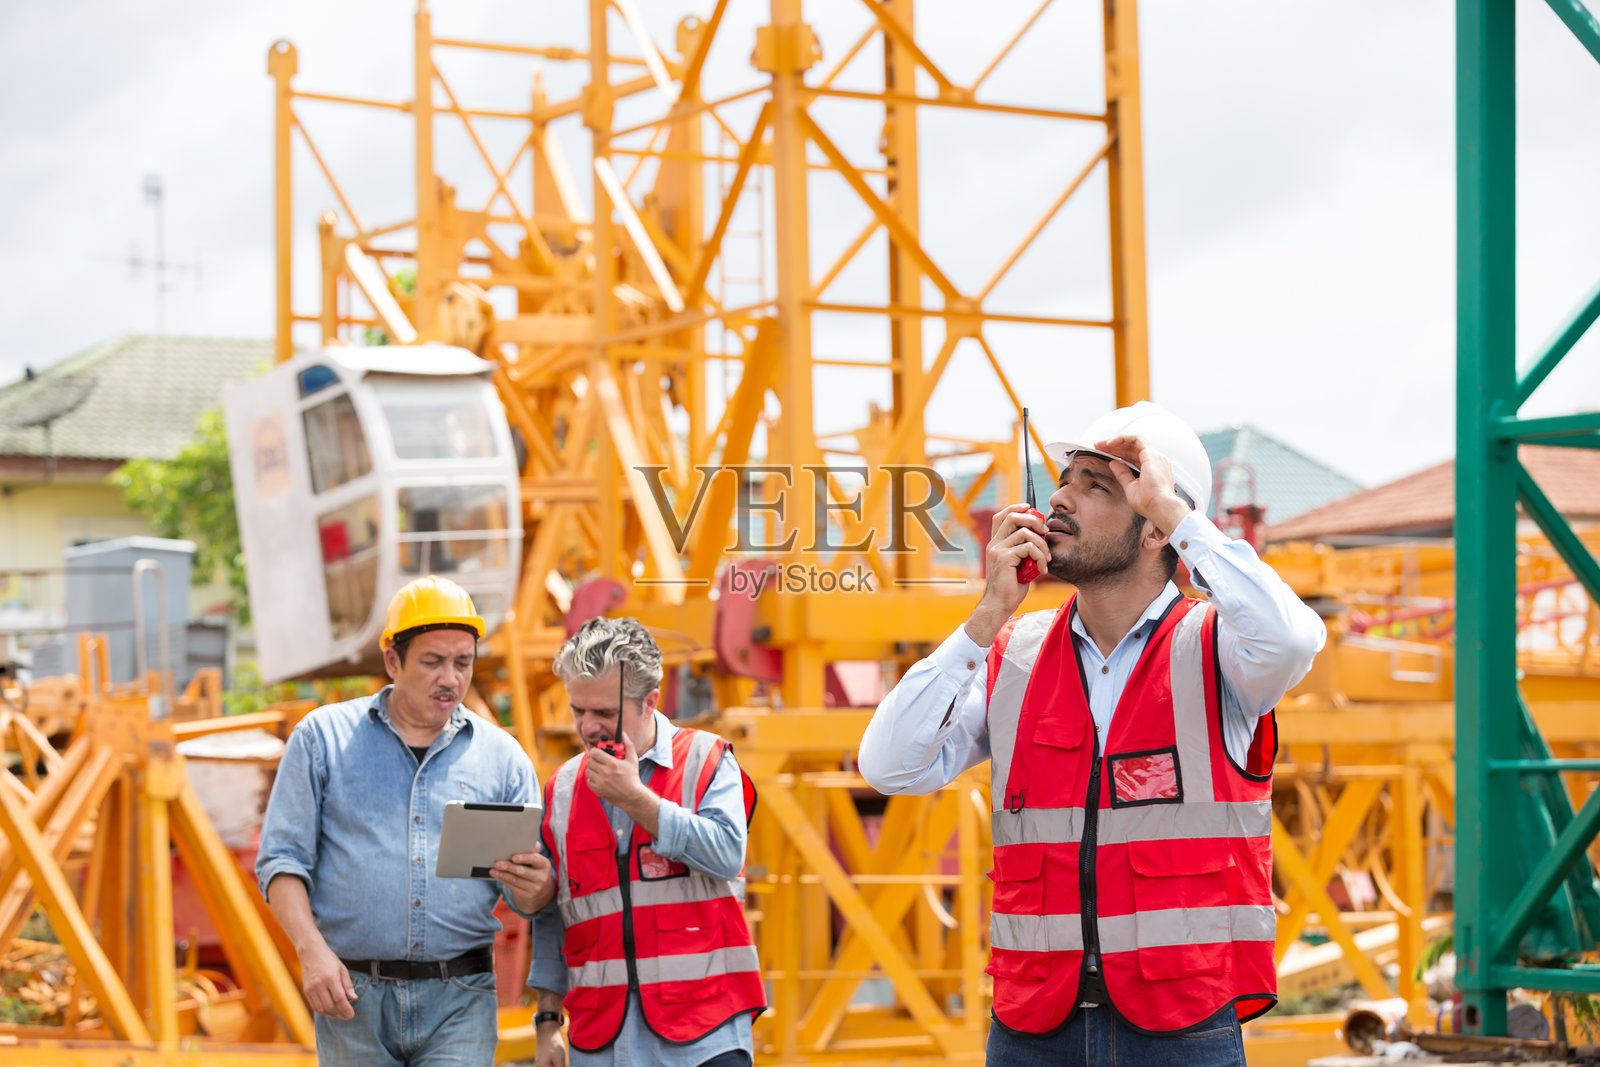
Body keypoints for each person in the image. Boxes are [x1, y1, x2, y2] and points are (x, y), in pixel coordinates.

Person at [858, 401, 1326, 1066]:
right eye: (1066, 478)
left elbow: (1296, 636)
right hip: (1032, 1030)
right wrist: (986, 614)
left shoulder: (1220, 651)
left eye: (1095, 484)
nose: (1060, 498)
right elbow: (887, 764)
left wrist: (1175, 510)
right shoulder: (1013, 653)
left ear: (1155, 529)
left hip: (1180, 1028)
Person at [256, 575, 551, 1066]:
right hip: (352, 996)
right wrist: (311, 952)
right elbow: (281, 861)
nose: (451, 679)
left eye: (463, 663)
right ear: (393, 660)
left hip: (461, 996)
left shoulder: (503, 757)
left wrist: (536, 887)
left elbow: (529, 901)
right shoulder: (322, 740)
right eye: (433, 662)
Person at [527, 617, 764, 1067]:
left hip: (705, 1036)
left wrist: (637, 801)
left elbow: (727, 852)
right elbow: (556, 918)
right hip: (602, 1042)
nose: (589, 727)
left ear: (650, 701)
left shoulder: (706, 759)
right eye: (579, 711)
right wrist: (547, 1023)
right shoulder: (560, 790)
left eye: (605, 713)